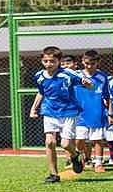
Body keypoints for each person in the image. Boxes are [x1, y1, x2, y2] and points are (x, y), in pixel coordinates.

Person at [29, 46, 92, 183]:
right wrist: (34, 108)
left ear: (58, 61)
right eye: (45, 61)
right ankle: (53, 174)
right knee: (49, 142)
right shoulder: (39, 76)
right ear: (42, 61)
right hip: (49, 111)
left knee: (65, 144)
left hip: (68, 111)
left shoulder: (68, 74)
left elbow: (87, 83)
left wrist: (87, 83)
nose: (48, 64)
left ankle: (75, 155)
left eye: (52, 61)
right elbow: (41, 92)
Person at [74, 50, 110, 173]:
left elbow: (107, 96)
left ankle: (98, 163)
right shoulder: (76, 75)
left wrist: (110, 113)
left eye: (92, 63)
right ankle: (79, 158)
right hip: (80, 114)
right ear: (82, 61)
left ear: (98, 62)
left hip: (97, 112)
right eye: (87, 63)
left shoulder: (103, 77)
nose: (89, 66)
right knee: (79, 139)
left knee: (98, 139)